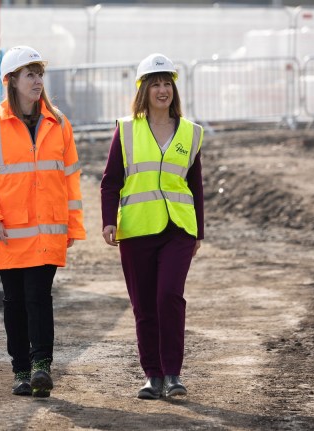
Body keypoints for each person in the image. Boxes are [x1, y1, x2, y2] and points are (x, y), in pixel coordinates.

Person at [0, 46, 86, 398]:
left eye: (39, 74)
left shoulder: (58, 124)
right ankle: (20, 370)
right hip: (7, 233)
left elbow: (70, 179)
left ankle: (41, 366)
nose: (37, 81)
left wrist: (73, 226)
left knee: (38, 297)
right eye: (29, 74)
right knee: (14, 300)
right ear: (11, 81)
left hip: (48, 232)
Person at [100, 53, 204, 399]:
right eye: (155, 84)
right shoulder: (126, 130)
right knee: (144, 305)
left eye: (167, 84)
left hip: (178, 230)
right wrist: (107, 221)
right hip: (137, 229)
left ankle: (173, 374)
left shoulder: (191, 133)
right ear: (143, 91)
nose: (162, 90)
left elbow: (196, 185)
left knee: (169, 297)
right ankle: (153, 375)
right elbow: (110, 180)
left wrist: (199, 231)